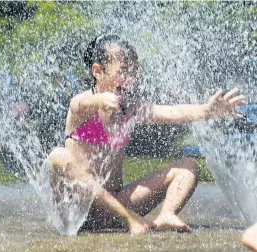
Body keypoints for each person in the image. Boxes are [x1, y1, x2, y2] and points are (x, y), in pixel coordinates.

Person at [48, 34, 247, 235]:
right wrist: (100, 100)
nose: (130, 79)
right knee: (57, 157)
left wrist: (207, 111)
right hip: (76, 211)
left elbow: (173, 112)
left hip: (116, 206)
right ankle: (130, 219)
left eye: (133, 73)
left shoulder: (129, 109)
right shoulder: (81, 106)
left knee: (189, 166)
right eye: (123, 71)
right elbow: (79, 104)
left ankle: (167, 215)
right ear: (98, 71)